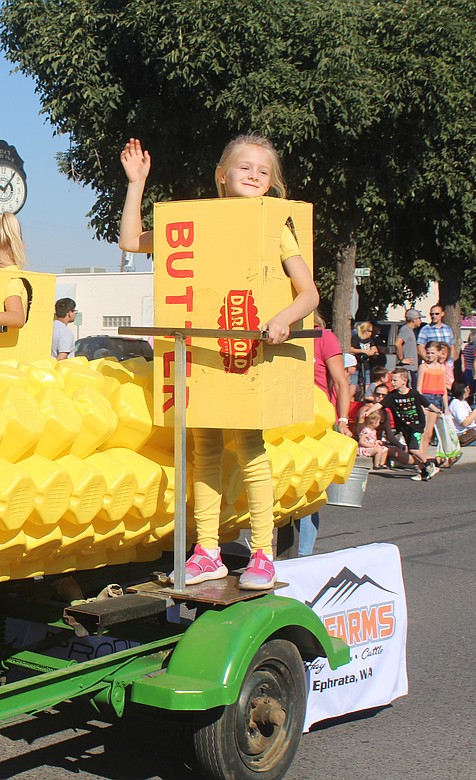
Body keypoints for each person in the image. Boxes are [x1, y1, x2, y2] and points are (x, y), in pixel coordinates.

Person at [119, 135, 319, 589]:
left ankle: (263, 553)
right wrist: (137, 184)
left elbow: (308, 292)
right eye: (244, 167)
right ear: (221, 174)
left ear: (272, 184)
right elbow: (132, 240)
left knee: (250, 450)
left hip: (248, 354)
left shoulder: (276, 229)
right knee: (204, 450)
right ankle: (207, 549)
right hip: (203, 354)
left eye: (263, 171)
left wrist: (284, 318)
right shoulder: (196, 223)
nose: (253, 175)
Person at [300, 312, 350, 556]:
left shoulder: (323, 338)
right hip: (285, 423)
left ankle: (302, 555)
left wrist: (342, 420)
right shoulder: (283, 336)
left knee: (309, 491)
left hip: (318, 423)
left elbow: (341, 382)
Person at [381, 367, 442, 480]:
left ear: (404, 381)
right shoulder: (392, 396)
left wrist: (437, 410)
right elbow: (381, 404)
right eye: (392, 380)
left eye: (395, 380)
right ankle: (424, 472)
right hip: (405, 427)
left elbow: (427, 403)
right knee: (411, 451)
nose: (392, 383)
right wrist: (369, 411)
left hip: (417, 426)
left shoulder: (414, 394)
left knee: (414, 449)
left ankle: (429, 465)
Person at [349, 320, 382, 394]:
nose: (371, 333)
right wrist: (363, 351)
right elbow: (351, 349)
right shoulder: (356, 338)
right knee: (353, 386)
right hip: (356, 365)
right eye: (371, 331)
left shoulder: (370, 340)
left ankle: (364, 400)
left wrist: (372, 352)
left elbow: (374, 348)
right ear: (366, 331)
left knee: (366, 386)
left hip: (366, 366)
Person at [395, 309, 422, 381]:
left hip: (412, 368)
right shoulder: (405, 329)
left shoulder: (410, 330)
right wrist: (401, 359)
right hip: (408, 369)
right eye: (419, 318)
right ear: (414, 320)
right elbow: (398, 343)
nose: (420, 321)